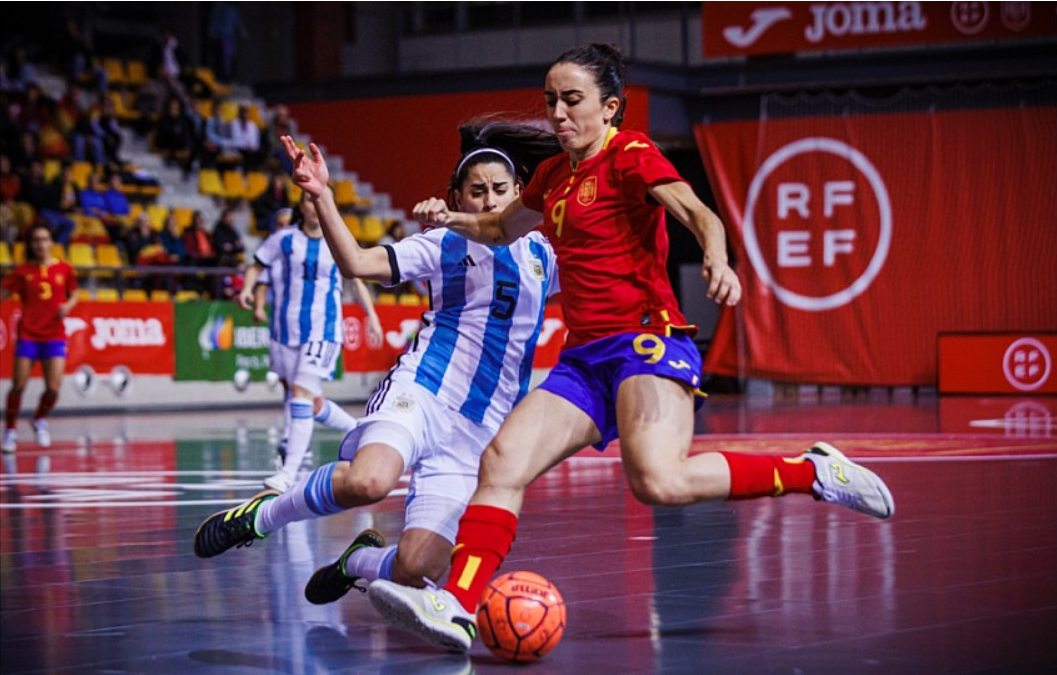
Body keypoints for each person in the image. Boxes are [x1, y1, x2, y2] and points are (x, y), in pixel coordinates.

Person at [364, 43, 896, 654]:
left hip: (646, 340)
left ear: (609, 107)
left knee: (659, 482)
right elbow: (497, 227)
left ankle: (813, 470)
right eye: (550, 101)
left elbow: (699, 214)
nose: (558, 114)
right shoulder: (553, 176)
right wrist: (449, 218)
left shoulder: (631, 155)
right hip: (584, 358)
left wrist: (718, 261)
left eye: (572, 100)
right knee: (502, 461)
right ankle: (455, 605)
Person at [193, 120, 562, 606]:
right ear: (456, 197)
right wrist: (322, 195)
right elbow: (357, 264)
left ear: (520, 192)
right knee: (367, 481)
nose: (490, 201)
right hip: (425, 390)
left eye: (500, 190)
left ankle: (358, 562)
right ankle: (263, 517)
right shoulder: (441, 242)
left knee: (417, 567)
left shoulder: (544, 255)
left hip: (483, 431)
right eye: (477, 192)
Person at [231, 190, 383, 492]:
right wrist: (248, 289)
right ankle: (358, 430)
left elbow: (355, 279)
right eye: (308, 200)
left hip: (323, 330)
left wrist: (373, 317)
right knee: (307, 401)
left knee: (300, 394)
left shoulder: (337, 240)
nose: (314, 206)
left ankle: (288, 474)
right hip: (285, 332)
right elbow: (256, 266)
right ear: (301, 205)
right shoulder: (284, 239)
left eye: (319, 200)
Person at [2, 224, 78, 453]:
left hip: (54, 335)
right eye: (36, 240)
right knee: (18, 385)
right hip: (28, 334)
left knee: (53, 389)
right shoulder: (22, 271)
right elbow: (4, 291)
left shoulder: (64, 269)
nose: (40, 244)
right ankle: (10, 431)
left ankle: (39, 419)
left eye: (44, 239)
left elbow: (74, 293)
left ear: (51, 242)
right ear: (31, 244)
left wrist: (68, 306)